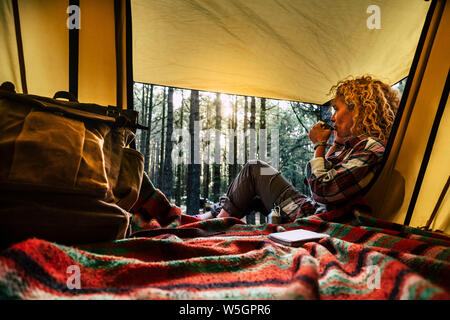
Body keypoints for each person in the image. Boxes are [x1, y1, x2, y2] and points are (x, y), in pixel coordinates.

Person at [195, 75, 399, 223]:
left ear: (358, 109)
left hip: (313, 216)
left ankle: (215, 223)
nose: (333, 117)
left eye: (337, 109)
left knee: (255, 169)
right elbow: (318, 182)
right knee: (255, 188)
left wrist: (319, 145)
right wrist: (334, 145)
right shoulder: (353, 147)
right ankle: (216, 214)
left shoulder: (371, 148)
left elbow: (322, 189)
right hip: (310, 208)